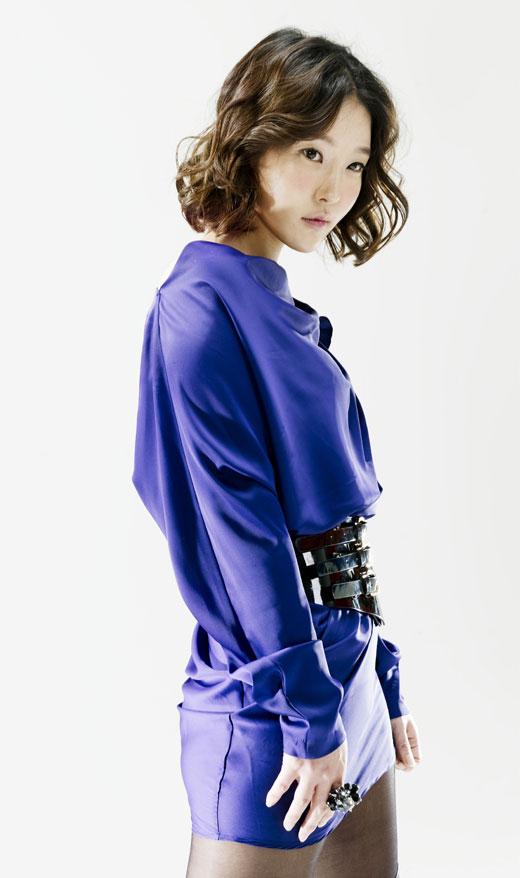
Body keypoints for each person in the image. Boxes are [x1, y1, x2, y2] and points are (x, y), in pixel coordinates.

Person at [132, 26, 422, 878]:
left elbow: (333, 528)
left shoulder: (273, 300)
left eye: (356, 164)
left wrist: (379, 675)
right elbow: (243, 536)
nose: (336, 188)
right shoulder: (200, 306)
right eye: (312, 153)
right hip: (277, 709)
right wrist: (312, 716)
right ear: (252, 142)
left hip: (344, 681)